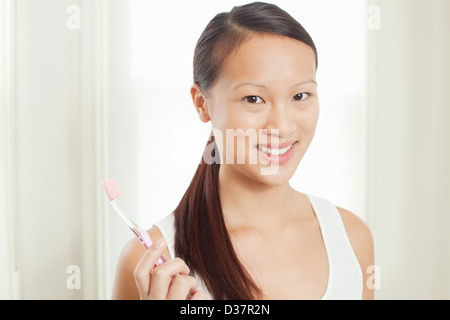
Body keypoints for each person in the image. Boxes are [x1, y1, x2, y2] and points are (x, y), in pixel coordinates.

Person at [111, 1, 374, 300]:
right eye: (253, 99)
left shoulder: (353, 239)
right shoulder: (154, 265)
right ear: (201, 103)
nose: (282, 126)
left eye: (300, 95)